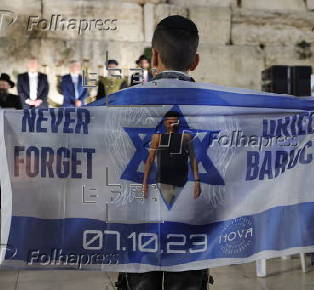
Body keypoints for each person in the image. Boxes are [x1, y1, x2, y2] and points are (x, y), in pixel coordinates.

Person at [112, 15, 210, 290]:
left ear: (154, 57)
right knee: (187, 280)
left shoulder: (123, 103)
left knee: (141, 281)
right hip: (192, 216)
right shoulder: (217, 105)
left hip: (138, 216)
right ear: (195, 62)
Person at [142, 110, 201, 208]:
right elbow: (150, 159)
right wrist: (145, 182)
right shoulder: (157, 137)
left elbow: (193, 159)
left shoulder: (186, 137)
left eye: (175, 122)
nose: (172, 125)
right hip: (163, 182)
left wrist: (197, 181)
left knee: (183, 212)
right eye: (170, 122)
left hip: (182, 181)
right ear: (165, 123)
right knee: (165, 211)